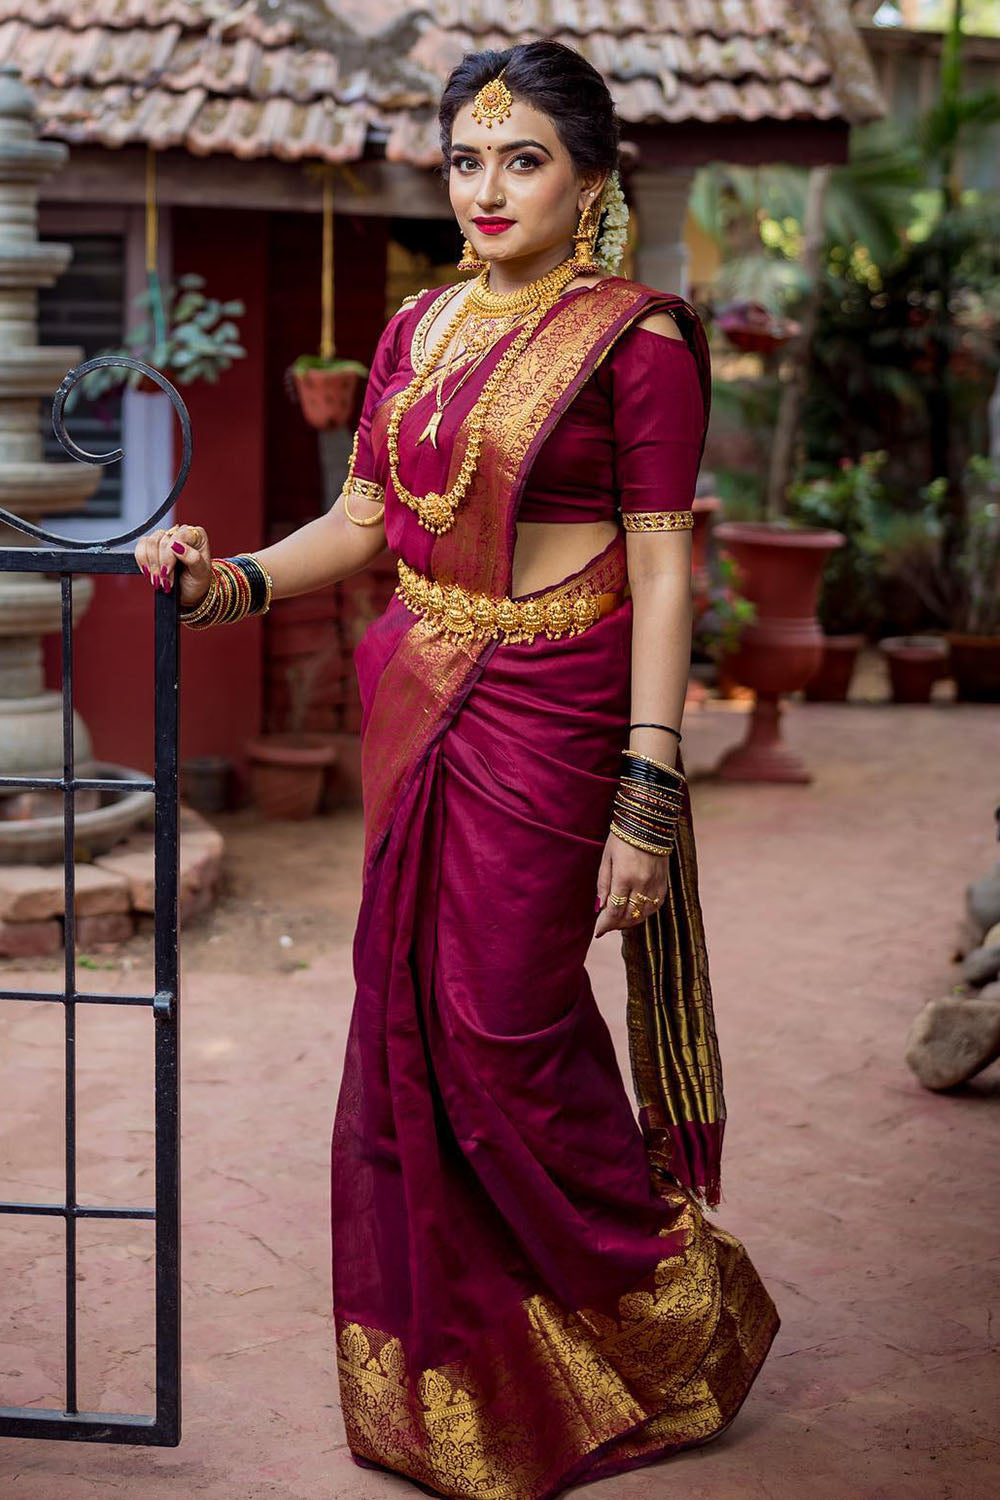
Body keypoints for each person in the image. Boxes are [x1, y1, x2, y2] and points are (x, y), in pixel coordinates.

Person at [136, 39, 780, 1500]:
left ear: (592, 176)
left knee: (505, 1025)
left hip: (555, 710)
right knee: (411, 1027)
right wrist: (226, 581)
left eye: (524, 158)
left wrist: (649, 789)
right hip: (424, 691)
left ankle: (670, 1316)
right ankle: (479, 1368)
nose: (487, 188)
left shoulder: (639, 340)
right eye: (466, 161)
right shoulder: (418, 328)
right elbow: (367, 519)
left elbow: (669, 577)